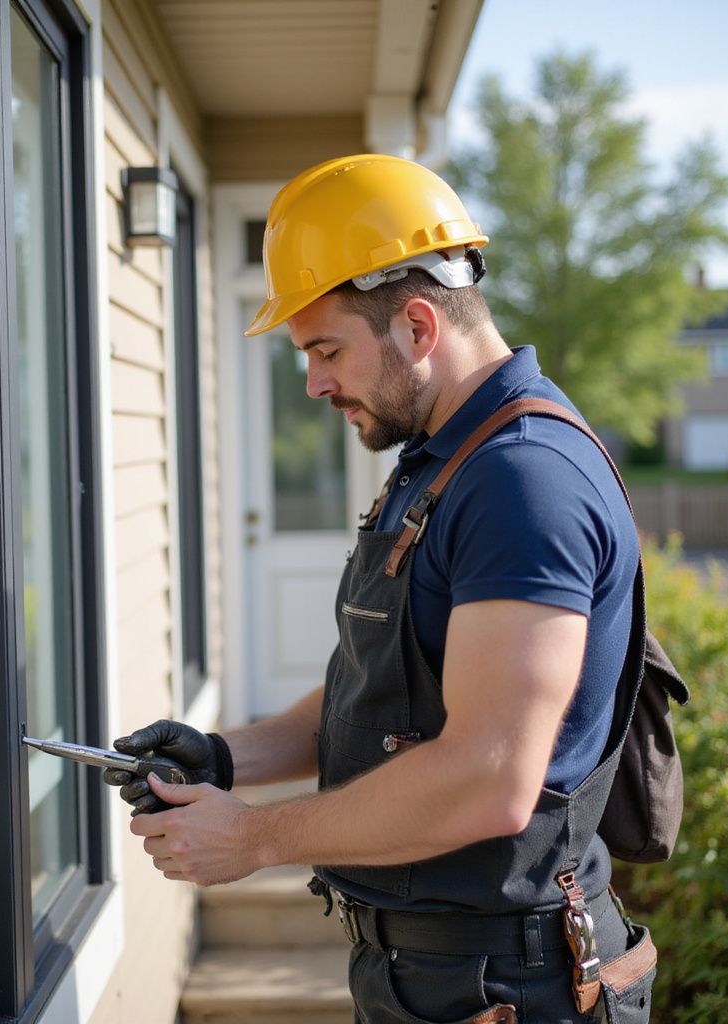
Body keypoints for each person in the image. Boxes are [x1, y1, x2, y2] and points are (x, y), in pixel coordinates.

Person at [105, 154, 656, 1023]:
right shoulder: (440, 463)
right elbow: (388, 692)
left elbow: (488, 777)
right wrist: (223, 759)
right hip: (431, 977)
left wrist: (254, 837)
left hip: (512, 987)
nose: (318, 382)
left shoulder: (522, 482)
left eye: (328, 349)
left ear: (419, 326)